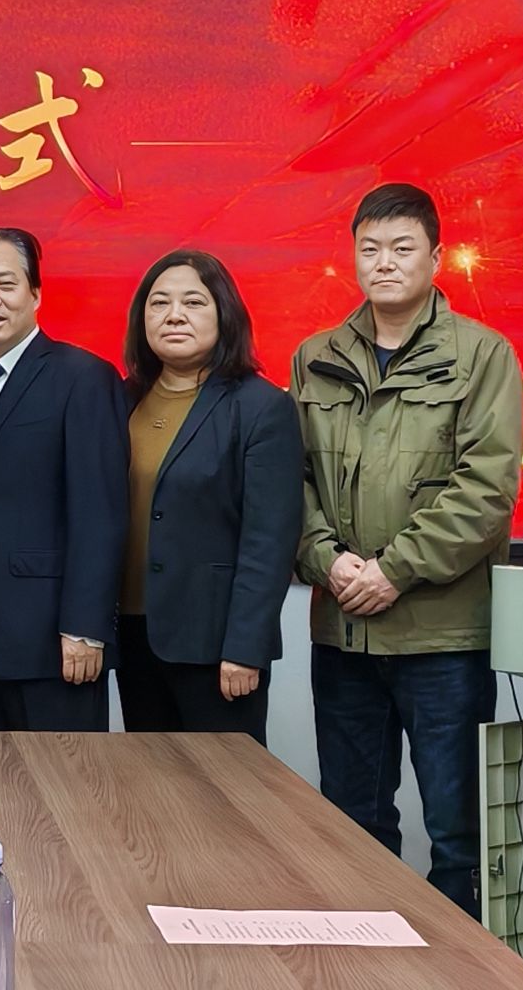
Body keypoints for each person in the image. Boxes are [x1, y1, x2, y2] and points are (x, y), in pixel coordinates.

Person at [294, 183, 523, 916]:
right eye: (370, 249)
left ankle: (461, 965)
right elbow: (290, 484)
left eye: (401, 248)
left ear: (435, 256)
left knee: (460, 836)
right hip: (344, 636)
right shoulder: (315, 357)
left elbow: (486, 491)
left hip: (444, 642)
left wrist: (394, 570)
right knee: (351, 827)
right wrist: (327, 559)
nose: (384, 263)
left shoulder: (481, 355)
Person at [0, 228, 126, 733]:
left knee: (64, 781)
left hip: (52, 646)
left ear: (35, 293)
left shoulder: (84, 378)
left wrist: (86, 627)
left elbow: (100, 512)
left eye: (6, 283)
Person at [114, 250, 304, 744]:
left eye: (193, 302)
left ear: (224, 314)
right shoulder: (120, 400)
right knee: (149, 781)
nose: (174, 315)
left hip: (215, 645)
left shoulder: (262, 407)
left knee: (224, 786)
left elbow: (269, 542)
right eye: (159, 303)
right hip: (132, 637)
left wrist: (245, 647)